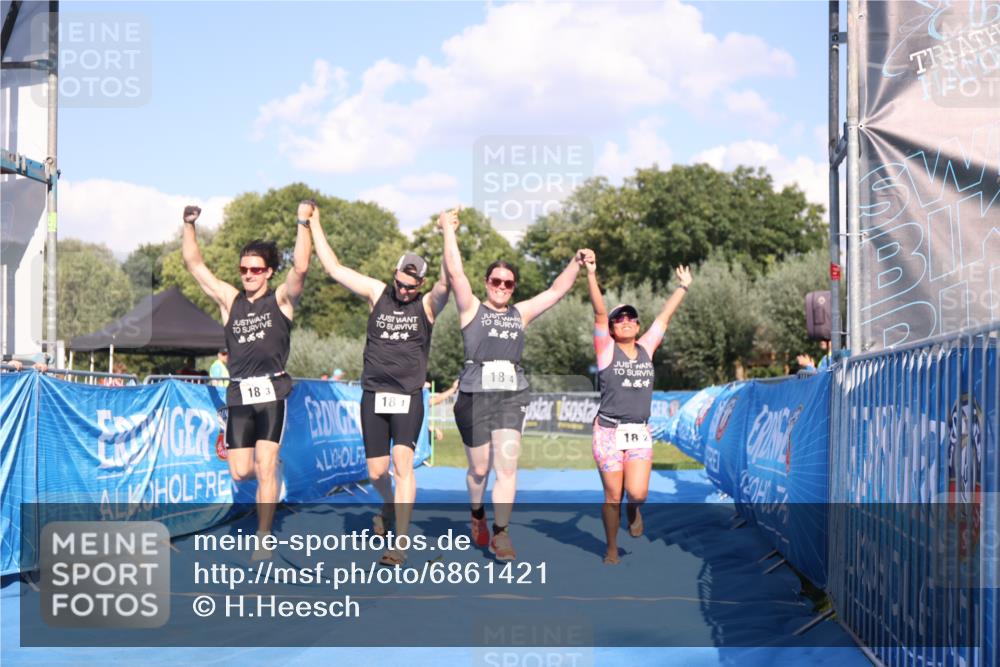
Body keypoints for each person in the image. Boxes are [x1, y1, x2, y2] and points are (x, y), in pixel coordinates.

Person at [439, 207, 591, 561]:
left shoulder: (521, 313)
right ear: (487, 283)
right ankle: (477, 513)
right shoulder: (471, 309)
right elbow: (456, 271)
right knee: (479, 469)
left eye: (508, 283)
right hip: (475, 393)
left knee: (507, 466)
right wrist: (448, 229)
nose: (502, 287)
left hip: (511, 393)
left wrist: (575, 261)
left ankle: (502, 533)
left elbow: (555, 291)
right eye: (496, 281)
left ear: (514, 287)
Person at [309, 206, 449, 567]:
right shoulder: (377, 293)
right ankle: (388, 505)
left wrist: (447, 231)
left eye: (411, 286)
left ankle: (399, 544)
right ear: (395, 274)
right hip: (373, 394)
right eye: (400, 283)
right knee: (375, 472)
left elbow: (450, 281)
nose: (404, 290)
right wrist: (314, 223)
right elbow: (334, 269)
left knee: (403, 463)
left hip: (407, 395)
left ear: (420, 285)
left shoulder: (428, 306)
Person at [181, 201, 311, 558]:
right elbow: (195, 265)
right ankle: (272, 473)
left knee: (265, 465)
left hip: (271, 391)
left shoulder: (281, 300)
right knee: (240, 473)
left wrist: (303, 222)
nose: (248, 275)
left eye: (255, 270)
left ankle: (264, 538)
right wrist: (189, 225)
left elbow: (300, 267)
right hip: (239, 394)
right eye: (243, 269)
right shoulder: (230, 301)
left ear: (268, 272)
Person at [584, 252, 692, 564]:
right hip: (607, 431)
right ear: (613, 329)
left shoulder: (646, 348)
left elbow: (664, 318)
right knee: (612, 496)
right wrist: (591, 274)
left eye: (632, 318)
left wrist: (682, 287)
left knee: (638, 493)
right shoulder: (606, 352)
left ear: (638, 325)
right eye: (620, 319)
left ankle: (635, 510)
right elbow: (599, 314)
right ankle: (611, 547)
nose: (626, 322)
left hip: (637, 430)